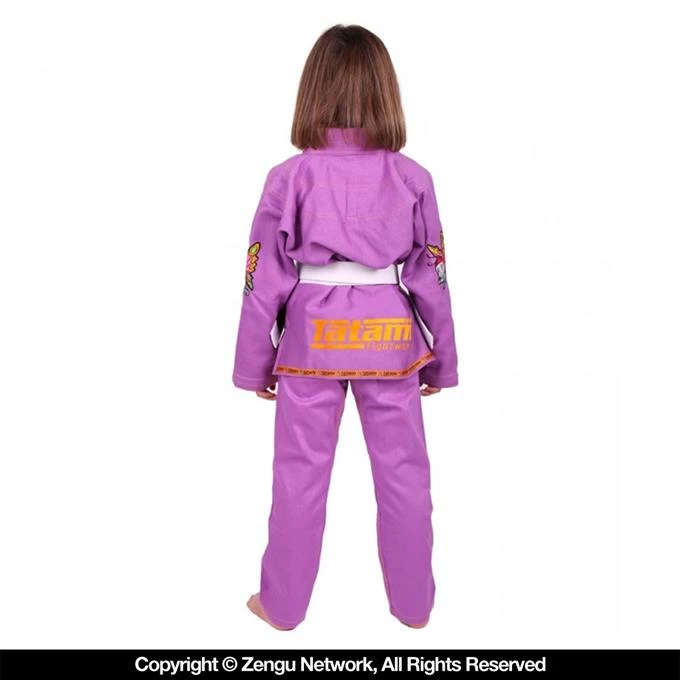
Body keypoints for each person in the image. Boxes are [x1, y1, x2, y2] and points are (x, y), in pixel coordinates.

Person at [232, 23, 458, 630]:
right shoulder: (412, 178)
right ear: (386, 91)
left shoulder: (288, 178)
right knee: (405, 477)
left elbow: (261, 280)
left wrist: (254, 364)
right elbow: (433, 277)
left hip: (312, 342)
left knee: (298, 478)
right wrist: (443, 360)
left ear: (313, 90)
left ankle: (282, 606)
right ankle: (414, 606)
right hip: (391, 343)